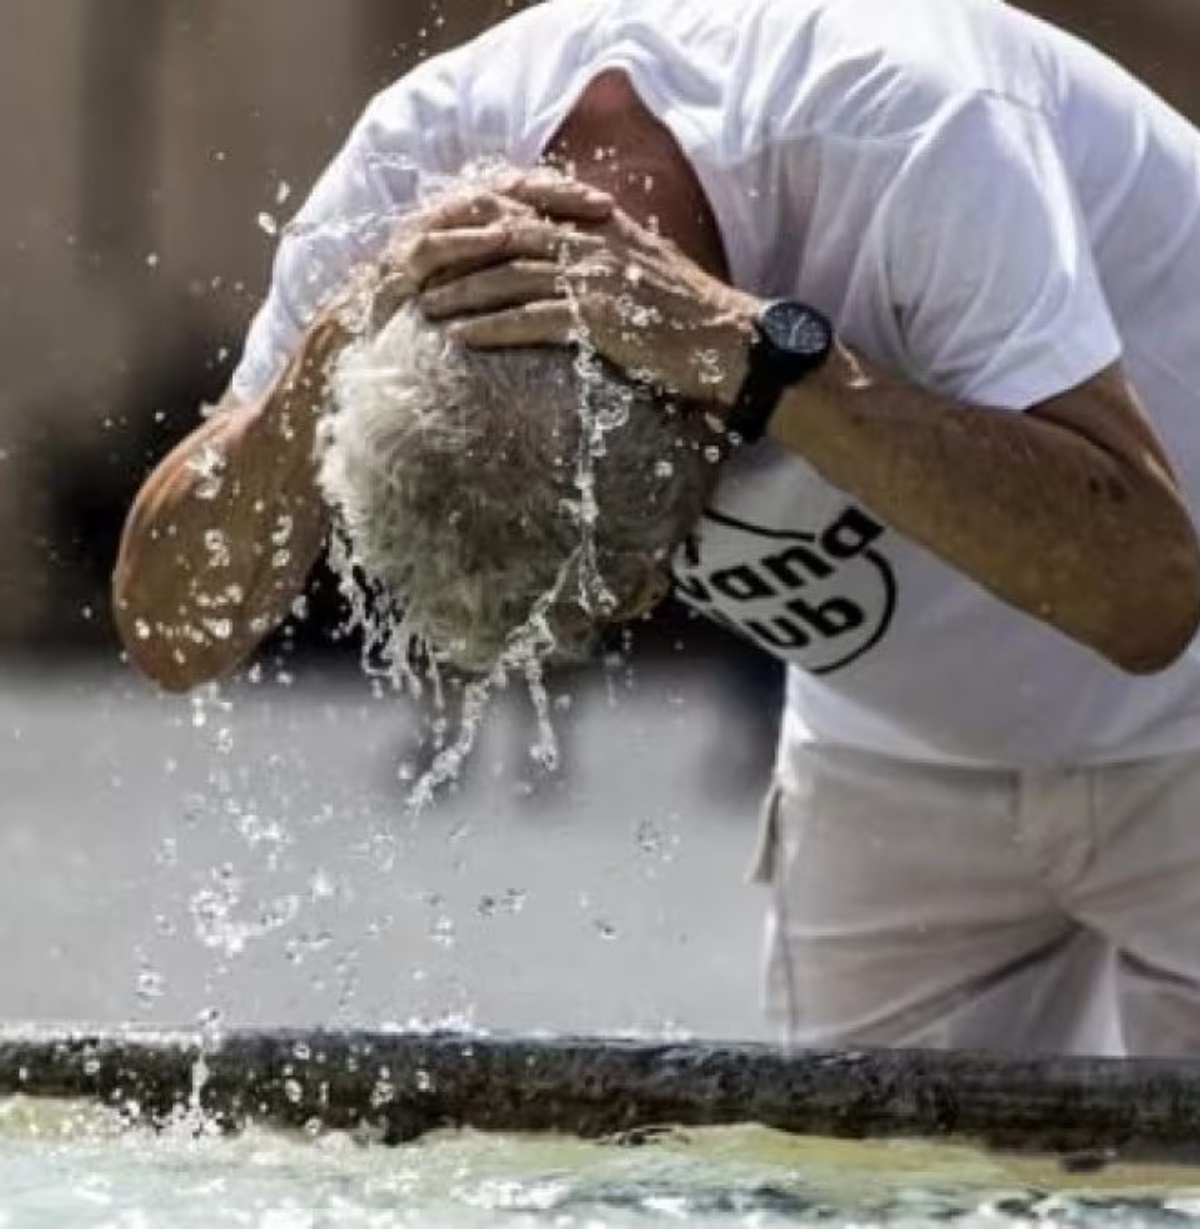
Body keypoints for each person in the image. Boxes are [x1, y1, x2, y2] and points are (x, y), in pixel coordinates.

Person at [113, 0, 1200, 1056]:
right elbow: (173, 630)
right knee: (863, 1192)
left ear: (700, 423)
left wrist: (765, 357)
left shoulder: (915, 130)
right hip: (899, 739)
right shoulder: (408, 176)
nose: (649, 609)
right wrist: (325, 354)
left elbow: (1150, 595)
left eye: (643, 582)